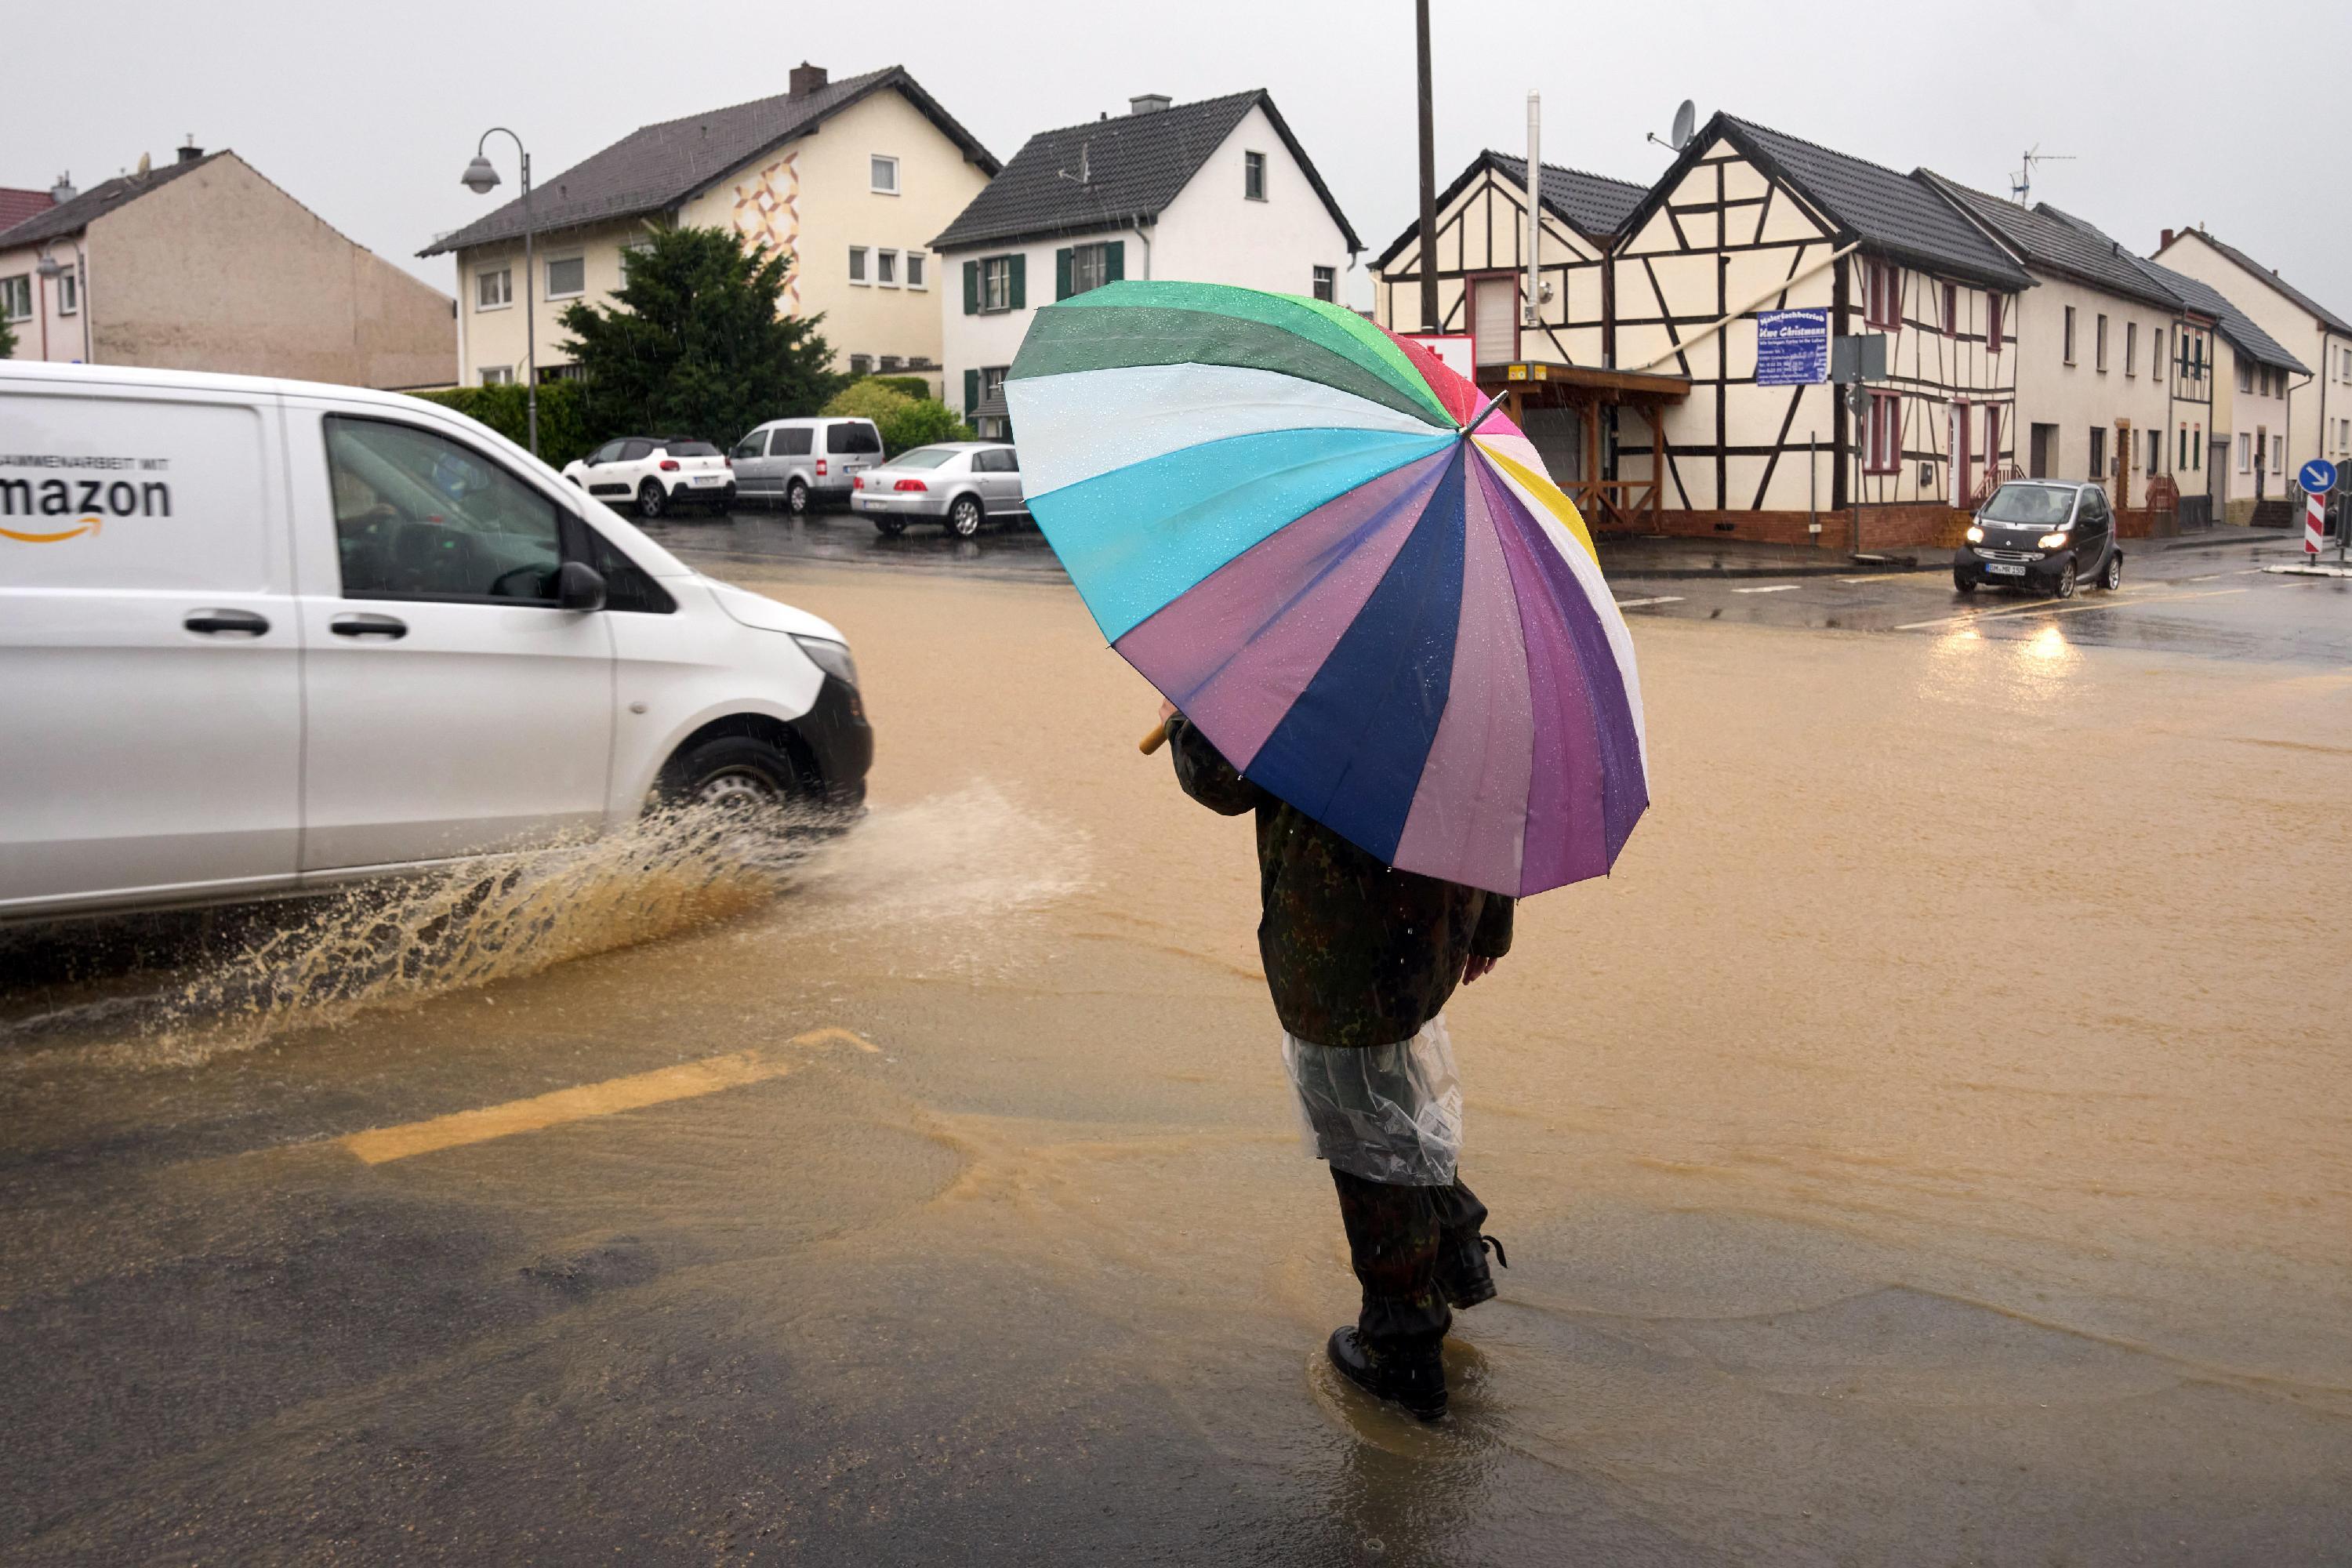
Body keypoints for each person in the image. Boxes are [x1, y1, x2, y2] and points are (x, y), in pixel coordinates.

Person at [1165, 710, 1512, 1421]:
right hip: (1435, 924)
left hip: (1341, 942)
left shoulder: (1318, 659)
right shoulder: (1468, 660)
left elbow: (1225, 780)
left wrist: (1187, 721)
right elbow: (1502, 792)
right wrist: (1492, 923)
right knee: (1400, 1099)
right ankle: (1454, 1251)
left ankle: (1403, 1348)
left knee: (1365, 1142)